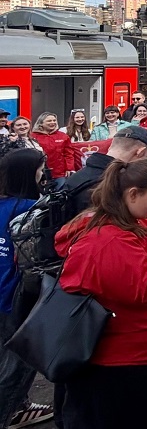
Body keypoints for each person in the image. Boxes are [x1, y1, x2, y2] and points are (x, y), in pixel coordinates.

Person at [55, 158, 147, 429]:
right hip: (125, 361)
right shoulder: (108, 239)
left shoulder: (132, 221)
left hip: (141, 352)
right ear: (133, 194)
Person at [0, 148, 53, 429]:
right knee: (17, 367)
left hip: (4, 293)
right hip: (14, 297)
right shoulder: (31, 209)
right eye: (40, 170)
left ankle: (19, 407)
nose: (44, 175)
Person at [63, 126, 147, 217]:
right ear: (140, 152)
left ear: (111, 146)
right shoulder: (118, 184)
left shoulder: (75, 178)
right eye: (145, 158)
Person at [31, 112, 82, 182]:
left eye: (54, 120)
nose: (53, 122)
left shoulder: (63, 136)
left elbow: (69, 154)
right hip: (39, 174)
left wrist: (70, 168)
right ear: (41, 123)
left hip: (60, 174)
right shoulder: (33, 136)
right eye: (49, 121)